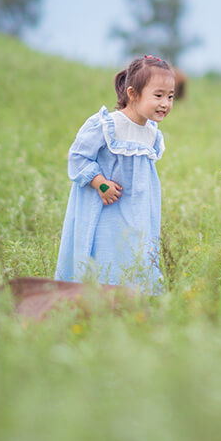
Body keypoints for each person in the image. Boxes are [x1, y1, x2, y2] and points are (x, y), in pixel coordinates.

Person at [54, 55, 175, 290]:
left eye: (170, 97)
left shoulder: (151, 132)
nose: (166, 103)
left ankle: (134, 296)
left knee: (136, 250)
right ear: (133, 93)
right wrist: (100, 183)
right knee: (105, 251)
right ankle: (96, 294)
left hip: (138, 211)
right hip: (106, 208)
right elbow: (78, 157)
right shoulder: (107, 125)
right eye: (158, 95)